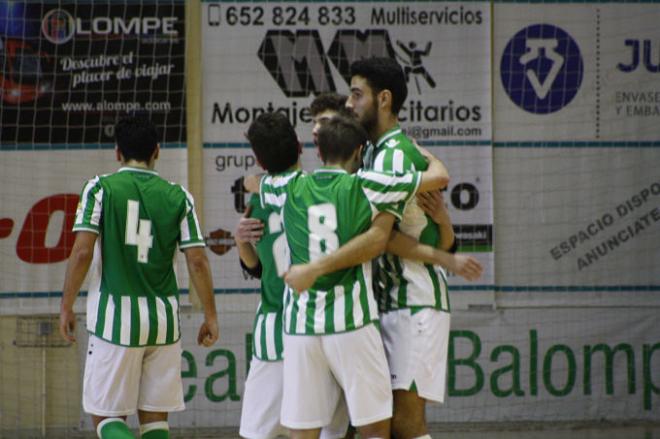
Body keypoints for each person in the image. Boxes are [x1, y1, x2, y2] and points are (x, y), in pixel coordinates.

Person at [258, 114, 450, 439]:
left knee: (302, 431)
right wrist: (427, 156)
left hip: (301, 327)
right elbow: (439, 178)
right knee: (374, 429)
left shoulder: (283, 187)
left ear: (318, 153)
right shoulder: (368, 185)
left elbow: (256, 184)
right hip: (351, 323)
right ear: (360, 152)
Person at [59, 115, 219, 439]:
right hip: (163, 323)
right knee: (155, 419)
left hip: (115, 321)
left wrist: (66, 306)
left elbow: (81, 253)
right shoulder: (179, 197)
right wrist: (211, 315)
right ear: (157, 151)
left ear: (117, 152)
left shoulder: (100, 188)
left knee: (104, 415)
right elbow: (198, 261)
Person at [346, 56, 454, 439]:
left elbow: (381, 236)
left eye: (357, 95)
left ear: (384, 99)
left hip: (415, 302)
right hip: (388, 301)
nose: (349, 104)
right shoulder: (376, 151)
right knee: (383, 422)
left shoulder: (394, 154)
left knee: (407, 423)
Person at [235, 109, 348, 439]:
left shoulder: (259, 198)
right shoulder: (318, 189)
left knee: (258, 433)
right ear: (300, 147)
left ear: (258, 159)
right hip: (323, 321)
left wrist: (239, 238)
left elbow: (254, 268)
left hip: (275, 326)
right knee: (329, 431)